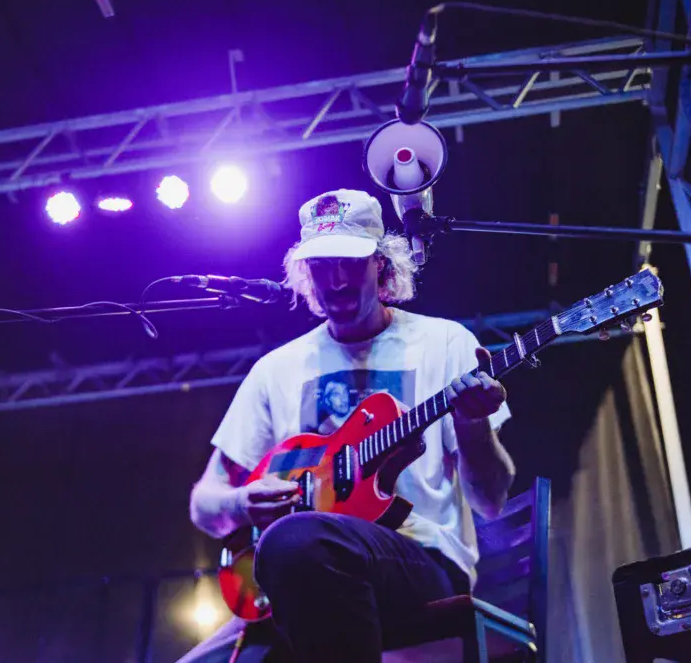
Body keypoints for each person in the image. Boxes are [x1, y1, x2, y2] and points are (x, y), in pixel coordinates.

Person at [180, 189, 516, 663]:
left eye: (350, 263)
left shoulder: (445, 343)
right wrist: (241, 501)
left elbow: (491, 499)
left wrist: (473, 423)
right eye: (321, 267)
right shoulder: (276, 369)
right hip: (299, 573)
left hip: (419, 558)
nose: (335, 281)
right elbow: (204, 504)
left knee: (297, 541)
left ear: (382, 263)